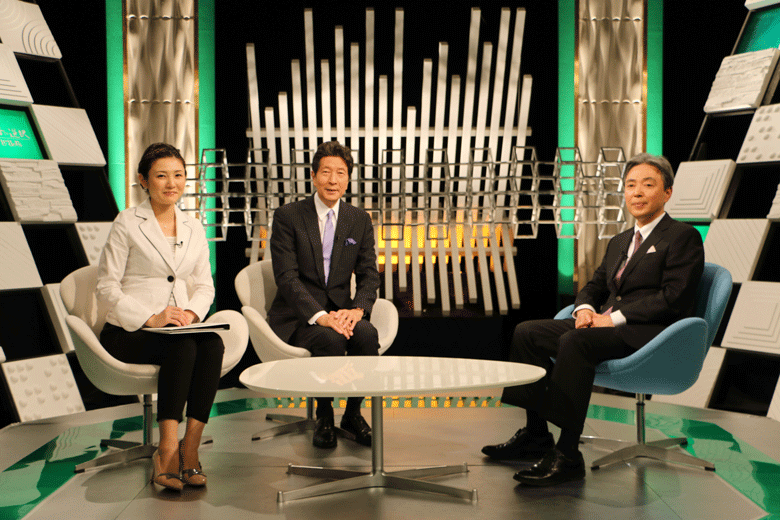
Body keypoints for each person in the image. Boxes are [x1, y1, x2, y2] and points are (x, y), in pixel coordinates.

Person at [482, 153, 704, 486]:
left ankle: (568, 453)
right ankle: (536, 434)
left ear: (667, 192)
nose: (637, 192)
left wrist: (613, 319)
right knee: (527, 333)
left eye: (648, 185)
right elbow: (595, 285)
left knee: (575, 341)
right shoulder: (620, 241)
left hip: (648, 334)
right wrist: (584, 309)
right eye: (630, 185)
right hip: (605, 327)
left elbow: (673, 299)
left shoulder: (682, 236)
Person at [96, 143, 224, 492]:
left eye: (179, 175)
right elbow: (106, 286)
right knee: (182, 349)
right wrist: (151, 318)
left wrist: (191, 314)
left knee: (212, 344)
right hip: (129, 330)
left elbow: (205, 286)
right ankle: (166, 450)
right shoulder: (127, 222)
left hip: (178, 328)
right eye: (162, 176)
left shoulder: (193, 226)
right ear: (143, 180)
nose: (172, 183)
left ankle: (190, 447)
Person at [268, 140, 380, 449]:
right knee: (329, 339)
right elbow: (286, 277)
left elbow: (369, 274)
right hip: (300, 315)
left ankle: (353, 413)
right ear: (314, 176)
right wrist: (320, 316)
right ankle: (325, 415)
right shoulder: (289, 216)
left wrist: (357, 310)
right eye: (326, 172)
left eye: (340, 173)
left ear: (348, 178)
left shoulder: (359, 219)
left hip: (342, 311)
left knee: (367, 335)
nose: (333, 180)